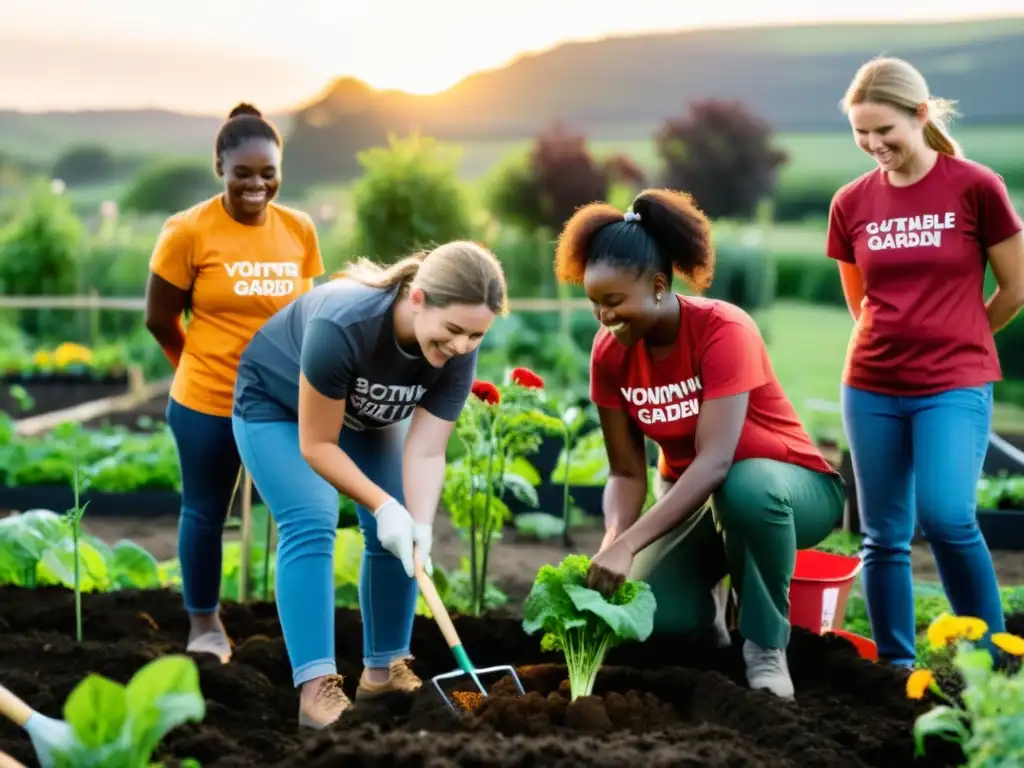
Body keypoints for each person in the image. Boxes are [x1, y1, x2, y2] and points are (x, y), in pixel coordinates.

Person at [555, 188, 846, 699]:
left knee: (744, 484)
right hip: (702, 501)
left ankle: (764, 645)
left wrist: (629, 545)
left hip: (788, 488)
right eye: (595, 303)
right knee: (660, 616)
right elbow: (626, 473)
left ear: (660, 286)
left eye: (615, 301)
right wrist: (612, 540)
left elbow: (715, 461)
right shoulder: (610, 354)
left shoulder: (723, 331)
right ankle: (710, 615)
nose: (603, 317)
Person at [230, 241, 507, 728]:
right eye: (454, 331)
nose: (462, 347)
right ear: (418, 298)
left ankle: (383, 671)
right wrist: (382, 506)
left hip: (364, 417)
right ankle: (317, 691)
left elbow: (425, 450)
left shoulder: (458, 353)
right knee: (311, 518)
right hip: (274, 406)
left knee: (400, 533)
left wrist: (417, 522)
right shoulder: (346, 325)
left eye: (476, 336)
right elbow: (317, 445)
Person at [826, 57, 1024, 668]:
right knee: (882, 536)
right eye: (861, 132)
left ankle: (993, 663)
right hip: (872, 386)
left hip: (954, 386)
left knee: (948, 517)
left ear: (919, 114)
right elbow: (860, 301)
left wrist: (963, 339)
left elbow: (1015, 288)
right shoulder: (851, 202)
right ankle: (896, 667)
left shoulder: (975, 186)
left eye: (883, 129)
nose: (873, 144)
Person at [144, 102, 325, 665]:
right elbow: (159, 317)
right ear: (219, 166)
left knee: (302, 512)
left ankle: (292, 623)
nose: (257, 184)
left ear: (280, 170)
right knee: (206, 511)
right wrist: (192, 365)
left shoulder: (298, 229)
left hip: (281, 403)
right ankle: (204, 623)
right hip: (207, 401)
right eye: (243, 172)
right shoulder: (187, 230)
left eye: (267, 172)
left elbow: (309, 316)